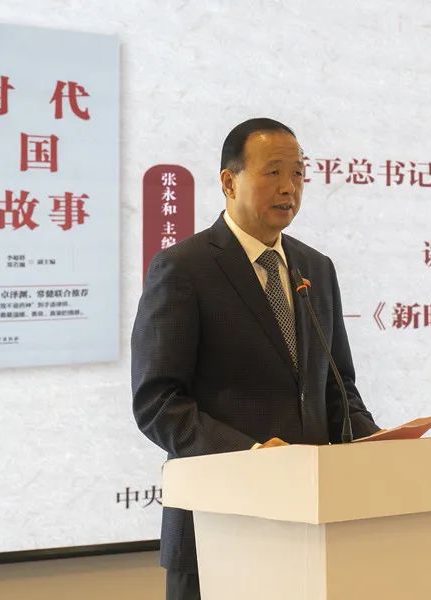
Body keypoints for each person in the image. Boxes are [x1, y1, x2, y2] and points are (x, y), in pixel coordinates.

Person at [131, 117, 380, 600]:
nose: (289, 188)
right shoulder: (183, 268)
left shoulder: (316, 268)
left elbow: (337, 388)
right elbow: (158, 403)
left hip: (310, 530)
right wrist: (252, 455)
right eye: (273, 173)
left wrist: (379, 444)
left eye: (299, 174)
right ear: (229, 181)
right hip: (217, 530)